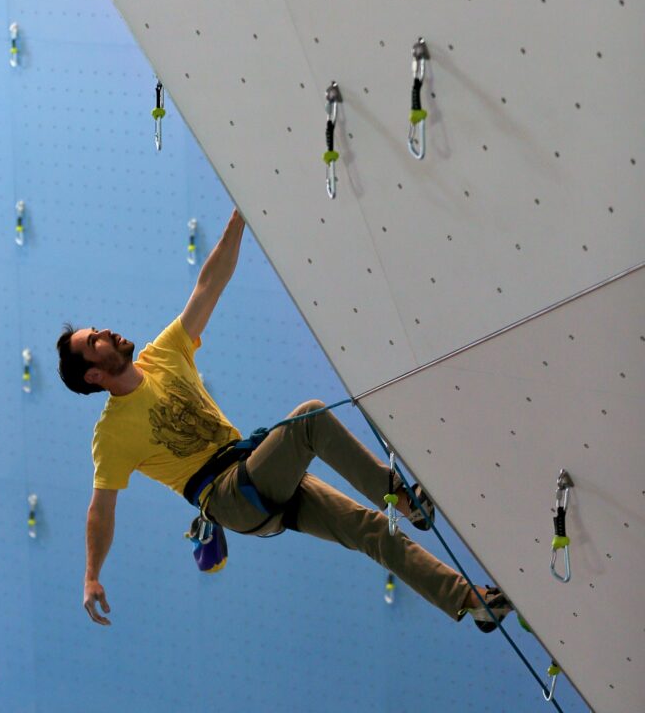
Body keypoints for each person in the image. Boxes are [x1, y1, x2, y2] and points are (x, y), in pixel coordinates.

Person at [56, 208, 513, 631]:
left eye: (97, 330)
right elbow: (101, 509)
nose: (106, 333)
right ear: (94, 375)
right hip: (230, 494)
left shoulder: (164, 355)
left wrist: (240, 217)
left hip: (256, 474)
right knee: (310, 419)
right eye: (94, 340)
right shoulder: (111, 433)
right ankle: (404, 501)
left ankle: (472, 603)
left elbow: (208, 286)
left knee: (370, 530)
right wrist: (90, 575)